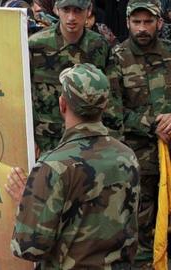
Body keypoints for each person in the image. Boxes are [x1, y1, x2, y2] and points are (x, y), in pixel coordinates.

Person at [9, 63, 140, 269]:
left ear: (62, 105)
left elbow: (28, 247)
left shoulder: (53, 165)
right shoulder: (127, 156)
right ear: (104, 106)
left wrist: (25, 202)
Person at [107, 0, 171, 267]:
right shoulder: (117, 58)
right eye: (136, 22)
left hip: (170, 156)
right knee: (140, 229)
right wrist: (152, 124)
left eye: (148, 22)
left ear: (160, 22)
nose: (142, 28)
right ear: (127, 23)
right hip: (138, 160)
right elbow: (111, 112)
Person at [29, 0, 121, 157]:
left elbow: (112, 99)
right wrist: (29, 140)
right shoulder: (36, 45)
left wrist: (113, 143)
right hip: (46, 144)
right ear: (56, 9)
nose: (71, 17)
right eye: (66, 9)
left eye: (78, 10)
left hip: (89, 147)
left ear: (89, 10)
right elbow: (21, 95)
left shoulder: (99, 46)